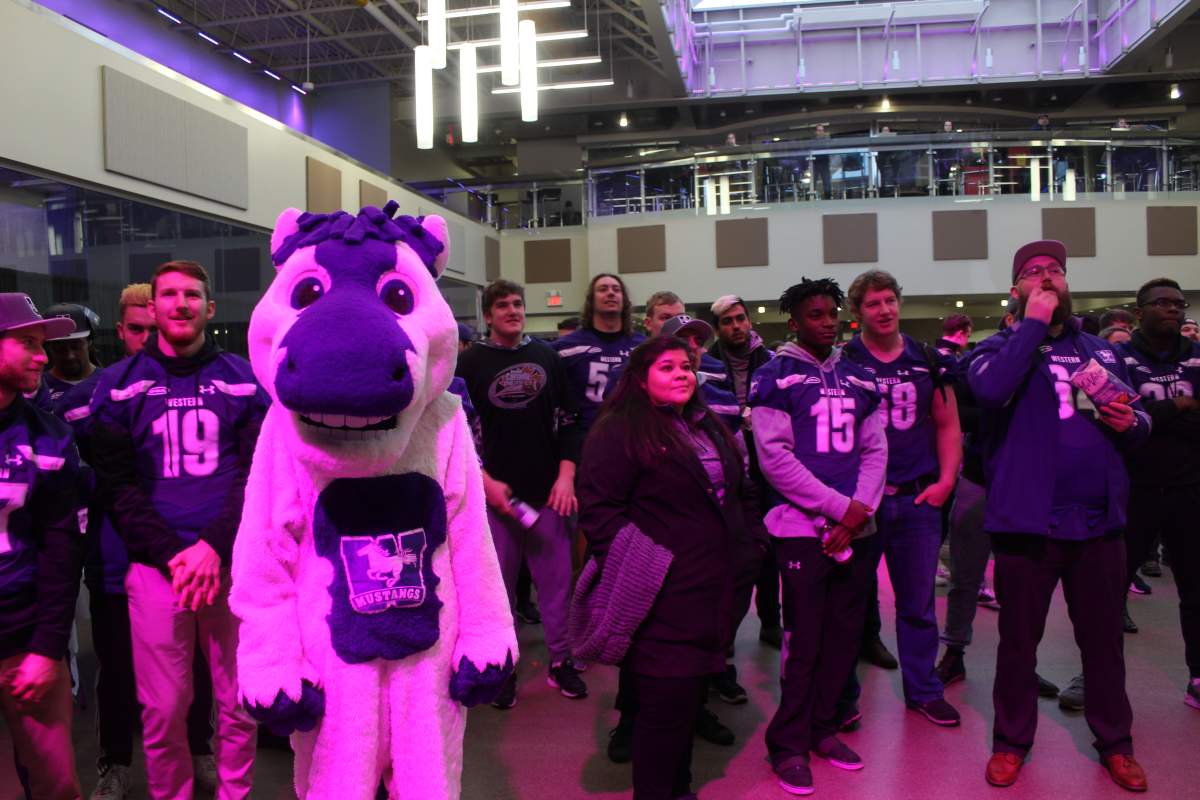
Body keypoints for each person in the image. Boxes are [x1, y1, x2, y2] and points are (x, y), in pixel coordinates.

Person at [968, 240, 1149, 791]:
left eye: (1055, 272)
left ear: (1068, 284)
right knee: (1019, 642)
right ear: (1015, 290)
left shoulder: (1103, 350)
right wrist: (1031, 326)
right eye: (1032, 273)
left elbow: (1142, 423)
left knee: (1103, 642)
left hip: (1098, 522)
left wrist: (1130, 425)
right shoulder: (993, 348)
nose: (1047, 279)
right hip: (1026, 524)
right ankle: (1011, 742)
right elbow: (992, 392)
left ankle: (1115, 743)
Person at [90, 261, 265, 800]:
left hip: (231, 565)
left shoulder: (244, 381)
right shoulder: (116, 388)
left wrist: (213, 547)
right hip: (157, 570)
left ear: (209, 309)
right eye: (169, 295)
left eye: (192, 294)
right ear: (153, 308)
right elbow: (120, 490)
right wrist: (176, 555)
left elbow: (255, 476)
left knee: (238, 703)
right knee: (163, 710)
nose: (181, 303)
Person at [577, 335, 767, 800]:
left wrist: (752, 545)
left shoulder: (707, 424)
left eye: (686, 366)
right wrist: (651, 567)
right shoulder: (618, 430)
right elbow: (600, 514)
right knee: (663, 711)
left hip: (714, 588)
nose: (682, 373)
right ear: (641, 380)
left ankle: (678, 789)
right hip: (661, 595)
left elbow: (742, 487)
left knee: (686, 703)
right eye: (667, 367)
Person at [58, 285, 218, 800]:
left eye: (152, 327)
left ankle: (200, 749)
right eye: (136, 329)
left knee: (193, 667)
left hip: (181, 561)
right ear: (121, 331)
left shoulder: (209, 385)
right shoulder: (94, 397)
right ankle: (114, 763)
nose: (146, 337)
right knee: (117, 669)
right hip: (113, 558)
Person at [749, 278, 887, 795]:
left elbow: (875, 451)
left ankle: (823, 729)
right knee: (803, 641)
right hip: (803, 531)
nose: (827, 322)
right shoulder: (774, 376)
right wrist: (836, 511)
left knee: (844, 638)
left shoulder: (859, 377)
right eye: (815, 315)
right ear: (794, 321)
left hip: (857, 528)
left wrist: (857, 514)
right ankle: (787, 744)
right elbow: (775, 460)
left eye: (832, 314)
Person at [456, 279, 586, 709]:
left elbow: (570, 422)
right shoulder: (469, 364)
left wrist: (566, 476)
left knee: (556, 588)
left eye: (517, 304)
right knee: (498, 594)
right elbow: (455, 436)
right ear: (488, 316)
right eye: (502, 306)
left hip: (547, 494)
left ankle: (561, 661)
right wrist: (485, 482)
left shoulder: (547, 357)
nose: (512, 310)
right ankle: (503, 667)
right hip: (493, 498)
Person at [841, 271, 963, 728]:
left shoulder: (928, 359)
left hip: (916, 503)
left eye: (890, 300)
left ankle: (924, 690)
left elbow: (948, 424)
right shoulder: (844, 361)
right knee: (849, 605)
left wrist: (946, 481)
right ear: (858, 313)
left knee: (918, 606)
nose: (885, 310)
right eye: (873, 303)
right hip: (862, 505)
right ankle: (842, 697)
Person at [0, 294, 85, 800]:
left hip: (23, 634)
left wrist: (47, 647)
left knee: (55, 784)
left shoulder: (49, 435)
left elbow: (62, 548)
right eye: (28, 344)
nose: (42, 357)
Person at [1118, 278, 1200, 709]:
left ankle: (1198, 677)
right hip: (1135, 491)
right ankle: (1097, 677)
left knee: (1195, 589)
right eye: (1163, 303)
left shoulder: (1198, 355)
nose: (1174, 310)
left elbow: (1145, 418)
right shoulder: (1119, 357)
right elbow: (1122, 420)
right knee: (1110, 591)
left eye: (1179, 304)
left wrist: (1156, 417)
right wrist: (1181, 407)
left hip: (1190, 490)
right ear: (1139, 311)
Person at [708, 294, 783, 650]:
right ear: (717, 327)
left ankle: (771, 618)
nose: (736, 326)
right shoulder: (707, 363)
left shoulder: (771, 361)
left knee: (767, 547)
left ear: (749, 320)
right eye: (728, 321)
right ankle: (723, 635)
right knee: (727, 551)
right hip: (726, 463)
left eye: (740, 318)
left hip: (768, 465)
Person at [552, 274, 643, 434]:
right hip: (585, 439)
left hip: (632, 437)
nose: (610, 293)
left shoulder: (642, 346)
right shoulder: (565, 347)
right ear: (591, 300)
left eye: (616, 289)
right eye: (603, 289)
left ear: (624, 300)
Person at [41, 303, 100, 404]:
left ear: (89, 342)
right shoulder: (38, 390)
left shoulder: (110, 382)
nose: (69, 356)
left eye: (76, 346)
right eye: (59, 348)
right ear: (49, 347)